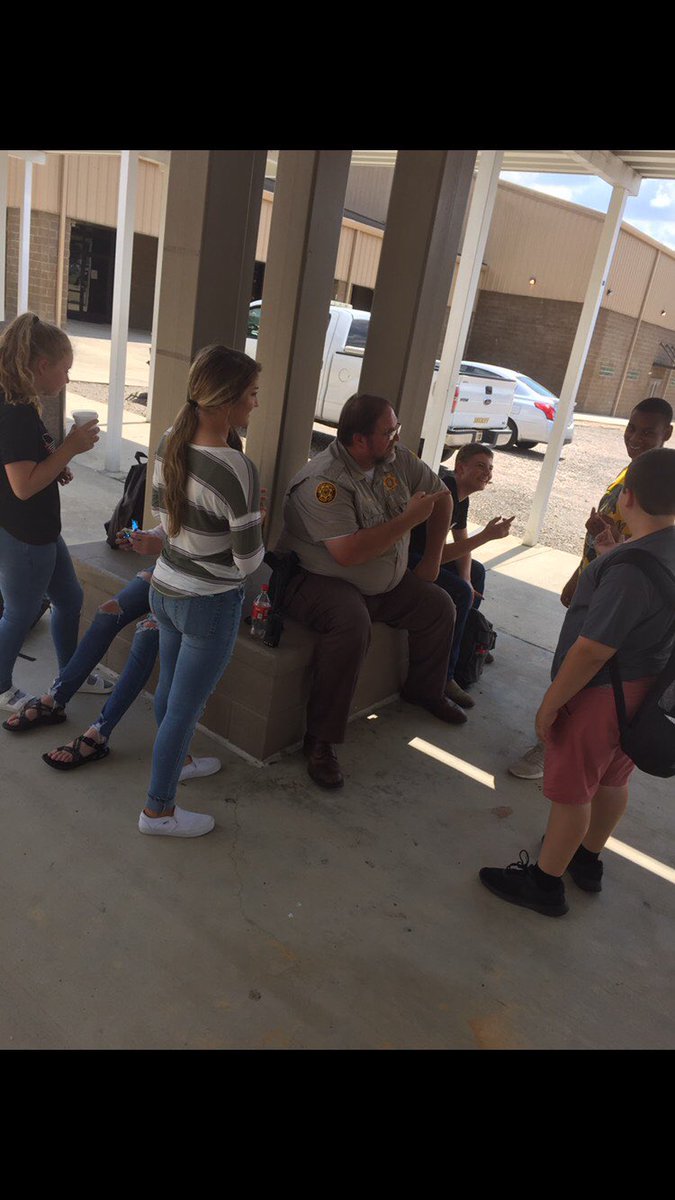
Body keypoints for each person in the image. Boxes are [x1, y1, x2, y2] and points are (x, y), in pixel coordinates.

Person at [480, 446, 675, 918]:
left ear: (627, 497)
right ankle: (586, 860)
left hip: (600, 695)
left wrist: (551, 703)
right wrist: (614, 554)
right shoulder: (649, 555)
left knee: (572, 793)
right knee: (611, 779)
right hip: (644, 694)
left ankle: (545, 885)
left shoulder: (629, 572)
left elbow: (592, 650)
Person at [275, 391, 464, 791]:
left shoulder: (394, 458)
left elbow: (442, 496)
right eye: (388, 431)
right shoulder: (323, 481)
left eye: (395, 429)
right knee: (350, 623)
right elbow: (348, 553)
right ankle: (320, 740)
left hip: (380, 580)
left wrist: (431, 561)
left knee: (439, 606)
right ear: (359, 440)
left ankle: (424, 691)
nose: (396, 437)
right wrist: (410, 520)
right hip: (314, 578)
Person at [508, 396, 673, 780]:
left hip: (617, 602)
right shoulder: (629, 474)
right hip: (599, 583)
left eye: (647, 431)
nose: (634, 437)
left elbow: (641, 554)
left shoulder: (660, 484)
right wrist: (579, 574)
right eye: (631, 427)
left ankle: (552, 738)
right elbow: (612, 541)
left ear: (668, 434)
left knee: (582, 671)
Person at [139, 344, 264, 838]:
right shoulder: (236, 467)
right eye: (252, 395)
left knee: (170, 693)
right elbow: (248, 560)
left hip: (165, 589)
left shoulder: (171, 438)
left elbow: (163, 523)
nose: (256, 404)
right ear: (228, 400)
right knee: (184, 708)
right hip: (209, 604)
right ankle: (158, 810)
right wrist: (257, 519)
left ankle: (181, 763)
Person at [0, 312, 102, 715]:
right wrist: (69, 449)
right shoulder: (14, 412)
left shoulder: (19, 400)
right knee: (20, 613)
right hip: (24, 532)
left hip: (38, 528)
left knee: (69, 597)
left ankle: (71, 674)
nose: (67, 379)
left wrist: (55, 463)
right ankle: (2, 688)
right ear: (43, 366)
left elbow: (22, 468)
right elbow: (23, 486)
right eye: (65, 370)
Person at [408, 443, 514, 709]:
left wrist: (467, 578)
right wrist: (487, 536)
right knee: (462, 591)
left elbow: (461, 542)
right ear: (460, 467)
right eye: (480, 466)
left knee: (475, 573)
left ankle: (464, 638)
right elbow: (435, 556)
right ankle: (445, 676)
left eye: (490, 468)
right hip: (409, 561)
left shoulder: (461, 495)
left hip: (427, 557)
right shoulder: (444, 493)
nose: (487, 473)